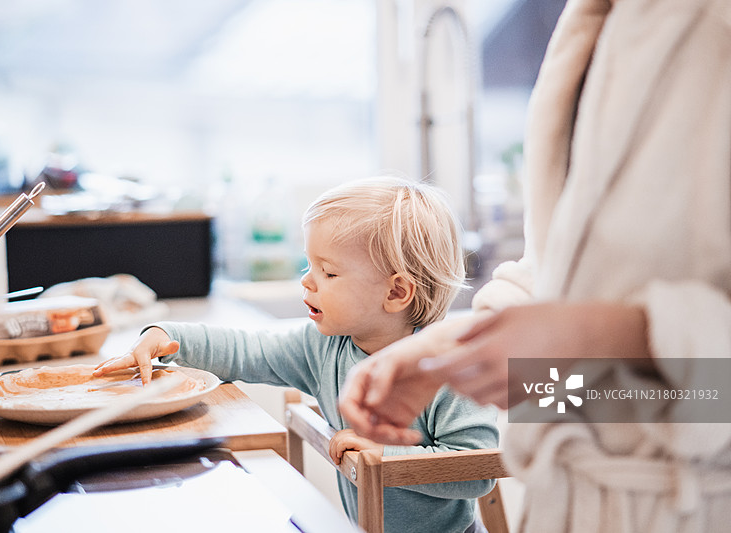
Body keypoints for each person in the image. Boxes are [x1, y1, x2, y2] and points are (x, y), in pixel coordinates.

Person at [339, 0, 731, 531]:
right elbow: (561, 272)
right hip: (574, 502)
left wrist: (597, 334)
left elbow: (711, 387)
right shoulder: (602, 20)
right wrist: (452, 349)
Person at [94, 176, 499, 533]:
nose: (306, 280)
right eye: (309, 264)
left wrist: (385, 459)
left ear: (395, 292)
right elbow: (246, 351)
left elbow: (478, 471)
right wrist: (167, 335)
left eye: (328, 271)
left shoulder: (448, 369)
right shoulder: (323, 346)